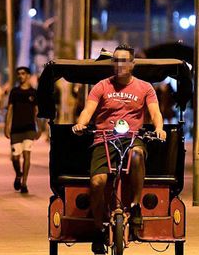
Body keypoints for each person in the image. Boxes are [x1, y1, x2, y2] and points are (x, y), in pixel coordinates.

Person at [72, 45, 166, 255]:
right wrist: (80, 124)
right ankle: (98, 229)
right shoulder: (101, 86)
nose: (119, 65)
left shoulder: (145, 88)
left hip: (132, 138)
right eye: (115, 60)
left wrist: (160, 129)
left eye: (123, 60)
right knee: (97, 182)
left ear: (132, 64)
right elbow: (88, 110)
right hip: (103, 139)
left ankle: (135, 205)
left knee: (137, 154)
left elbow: (155, 112)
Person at [5, 66, 38, 194]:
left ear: (28, 75)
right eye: (19, 74)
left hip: (29, 128)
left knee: (27, 155)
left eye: (23, 73)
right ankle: (18, 174)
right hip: (16, 129)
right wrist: (7, 127)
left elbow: (37, 111)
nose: (20, 76)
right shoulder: (14, 92)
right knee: (15, 157)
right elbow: (10, 110)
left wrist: (39, 128)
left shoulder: (34, 93)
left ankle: (24, 182)